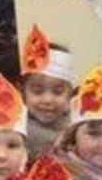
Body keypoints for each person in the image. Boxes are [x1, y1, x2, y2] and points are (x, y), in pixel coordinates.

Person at [18, 24, 75, 160]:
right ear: (23, 93)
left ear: (69, 94)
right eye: (37, 91)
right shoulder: (18, 132)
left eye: (57, 92)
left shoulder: (79, 126)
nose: (48, 100)